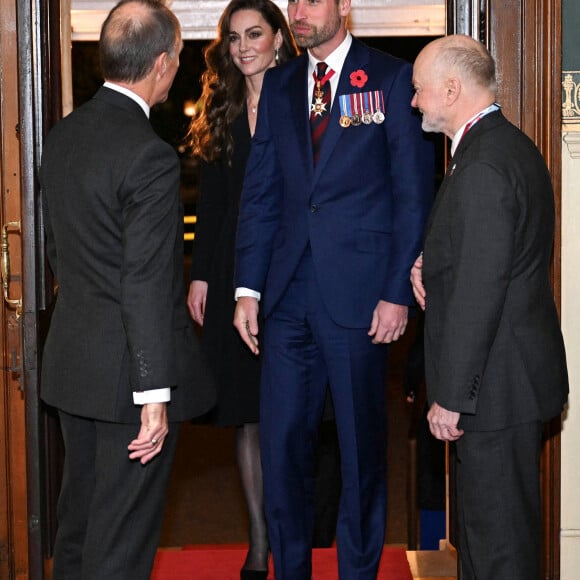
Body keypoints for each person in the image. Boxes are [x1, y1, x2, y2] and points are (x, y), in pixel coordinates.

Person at [232, 0, 434, 575]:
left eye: (312, 1)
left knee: (360, 452)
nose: (299, 11)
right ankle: (290, 568)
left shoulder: (392, 78)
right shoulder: (279, 84)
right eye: (294, 1)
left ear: (344, 6)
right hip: (287, 296)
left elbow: (412, 194)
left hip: (361, 298)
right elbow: (262, 192)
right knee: (282, 449)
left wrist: (398, 290)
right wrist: (248, 288)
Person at [39, 2, 215, 578]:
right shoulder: (149, 156)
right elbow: (143, 279)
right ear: (162, 64)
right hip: (126, 385)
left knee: (78, 529)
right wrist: (152, 396)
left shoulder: (63, 137)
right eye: (180, 59)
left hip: (74, 365)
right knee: (120, 544)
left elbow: (60, 255)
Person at [410, 34, 569, 580]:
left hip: (494, 391)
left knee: (497, 550)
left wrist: (450, 398)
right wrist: (431, 264)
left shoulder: (481, 167)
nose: (414, 103)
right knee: (496, 540)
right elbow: (490, 255)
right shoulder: (505, 147)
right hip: (508, 383)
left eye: (420, 90)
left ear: (451, 89)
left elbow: (482, 291)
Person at [186, 1, 296, 577]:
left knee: (289, 410)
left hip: (293, 272)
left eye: (255, 34)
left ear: (279, 37)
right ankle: (259, 543)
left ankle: (289, 534)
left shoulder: (303, 94)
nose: (243, 46)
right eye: (233, 37)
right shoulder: (223, 103)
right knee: (248, 413)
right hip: (233, 274)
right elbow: (212, 200)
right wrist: (202, 275)